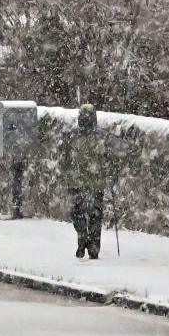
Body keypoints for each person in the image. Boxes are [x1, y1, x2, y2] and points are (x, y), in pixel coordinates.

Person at [62, 103, 112, 260]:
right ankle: (94, 246)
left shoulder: (71, 136)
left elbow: (65, 159)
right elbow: (109, 158)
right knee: (96, 215)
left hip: (75, 181)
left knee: (77, 212)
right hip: (96, 183)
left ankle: (82, 234)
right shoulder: (101, 137)